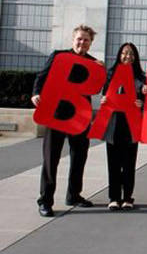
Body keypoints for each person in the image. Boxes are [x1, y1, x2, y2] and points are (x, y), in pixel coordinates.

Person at [32, 24, 103, 217]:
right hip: (57, 114)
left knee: (79, 156)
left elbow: (97, 88)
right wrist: (36, 93)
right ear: (73, 40)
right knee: (51, 158)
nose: (82, 42)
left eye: (86, 40)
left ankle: (74, 195)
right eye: (79, 39)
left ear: (90, 43)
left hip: (80, 116)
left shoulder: (94, 64)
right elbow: (42, 76)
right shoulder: (58, 56)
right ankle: (45, 200)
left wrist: (101, 73)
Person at [100, 42, 146, 211]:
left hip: (131, 125)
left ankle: (127, 197)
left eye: (132, 54)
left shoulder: (141, 78)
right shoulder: (111, 74)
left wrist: (142, 102)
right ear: (119, 55)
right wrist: (103, 100)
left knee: (129, 163)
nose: (128, 57)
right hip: (113, 124)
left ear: (136, 58)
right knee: (113, 163)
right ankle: (113, 197)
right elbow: (104, 95)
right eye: (125, 53)